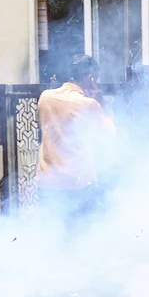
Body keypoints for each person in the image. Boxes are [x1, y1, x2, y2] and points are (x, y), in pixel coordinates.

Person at [36, 54, 115, 217]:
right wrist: (102, 102)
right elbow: (110, 136)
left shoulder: (45, 97)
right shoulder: (89, 104)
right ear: (90, 77)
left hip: (47, 182)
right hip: (78, 184)